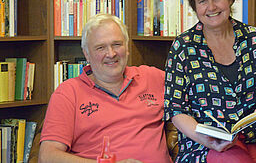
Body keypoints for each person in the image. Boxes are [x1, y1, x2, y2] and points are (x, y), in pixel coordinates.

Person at [163, 0, 256, 162]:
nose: (211, 7)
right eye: (202, 1)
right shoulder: (183, 46)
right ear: (194, 7)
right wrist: (205, 140)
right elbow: (175, 109)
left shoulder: (254, 39)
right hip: (204, 144)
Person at [39, 13, 172, 163]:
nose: (111, 54)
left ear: (127, 47)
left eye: (117, 44)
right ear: (87, 54)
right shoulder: (68, 93)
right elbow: (48, 156)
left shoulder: (152, 77)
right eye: (101, 47)